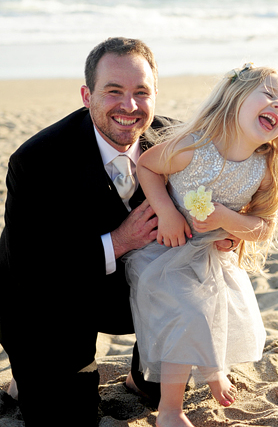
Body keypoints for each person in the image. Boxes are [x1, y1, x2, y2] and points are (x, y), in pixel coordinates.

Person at [125, 63, 278, 427]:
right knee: (191, 312)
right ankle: (170, 410)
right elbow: (147, 167)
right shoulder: (195, 146)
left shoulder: (265, 167)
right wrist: (166, 212)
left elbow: (263, 228)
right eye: (270, 95)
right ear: (234, 98)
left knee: (217, 309)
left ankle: (213, 369)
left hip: (214, 252)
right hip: (168, 250)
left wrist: (224, 220)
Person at [0, 38, 180, 425]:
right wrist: (120, 240)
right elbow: (29, 270)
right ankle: (27, 374)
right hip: (50, 299)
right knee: (66, 416)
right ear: (87, 95)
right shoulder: (36, 161)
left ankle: (139, 376)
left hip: (138, 295)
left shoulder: (177, 146)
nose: (129, 106)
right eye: (113, 91)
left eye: (141, 93)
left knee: (158, 390)